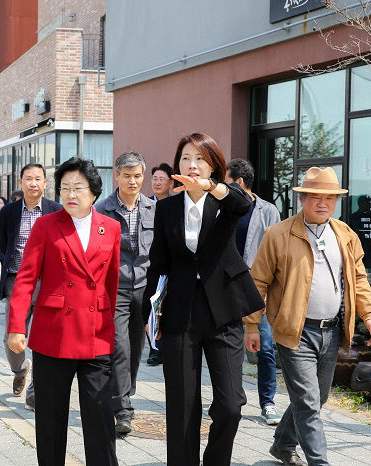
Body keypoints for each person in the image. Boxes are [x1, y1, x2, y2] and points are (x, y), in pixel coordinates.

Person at [245, 167, 371, 466]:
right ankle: (320, 462)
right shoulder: (278, 234)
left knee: (316, 399)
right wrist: (252, 325)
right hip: (296, 332)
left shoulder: (345, 235)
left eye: (329, 198)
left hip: (332, 332)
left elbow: (359, 280)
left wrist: (370, 315)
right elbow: (258, 282)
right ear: (303, 199)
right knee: (308, 403)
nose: (323, 203)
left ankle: (282, 444)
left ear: (336, 202)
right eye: (315, 197)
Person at [143, 133, 264, 466]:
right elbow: (159, 263)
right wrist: (149, 317)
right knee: (182, 406)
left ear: (213, 165)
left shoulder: (226, 201)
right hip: (181, 312)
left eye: (199, 158)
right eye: (185, 158)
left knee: (230, 406)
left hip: (224, 311)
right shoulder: (166, 208)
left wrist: (212, 187)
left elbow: (244, 204)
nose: (191, 165)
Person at [8, 157, 121, 466]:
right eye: (65, 188)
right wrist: (17, 326)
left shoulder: (110, 227)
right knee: (51, 421)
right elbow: (26, 278)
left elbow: (111, 283)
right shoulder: (47, 225)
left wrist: (109, 326)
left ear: (94, 191)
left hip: (96, 336)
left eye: (78, 187)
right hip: (53, 335)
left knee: (99, 418)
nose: (71, 194)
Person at [95, 151, 155, 434]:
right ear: (116, 176)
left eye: (137, 176)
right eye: (127, 176)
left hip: (145, 288)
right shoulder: (102, 210)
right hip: (115, 289)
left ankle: (124, 391)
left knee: (135, 347)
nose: (133, 182)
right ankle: (123, 409)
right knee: (119, 346)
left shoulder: (154, 209)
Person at [0, 164, 62, 409]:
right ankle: (20, 369)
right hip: (17, 279)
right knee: (11, 336)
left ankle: (35, 390)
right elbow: (3, 245)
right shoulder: (9, 212)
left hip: (48, 281)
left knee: (43, 338)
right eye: (28, 179)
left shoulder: (56, 210)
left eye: (38, 179)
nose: (33, 183)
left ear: (45, 183)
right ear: (21, 182)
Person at [225, 158, 282, 426]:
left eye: (227, 181)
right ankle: (229, 397)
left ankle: (268, 402)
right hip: (226, 287)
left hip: (259, 290)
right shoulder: (222, 207)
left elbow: (278, 254)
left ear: (238, 182)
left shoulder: (268, 211)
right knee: (229, 346)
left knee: (266, 347)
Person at [147, 163, 173, 366]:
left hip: (171, 264)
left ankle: (165, 345)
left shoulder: (177, 205)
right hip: (150, 264)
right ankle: (154, 349)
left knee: (166, 306)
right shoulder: (146, 204)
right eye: (154, 178)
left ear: (171, 182)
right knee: (152, 306)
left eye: (161, 179)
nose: (157, 182)